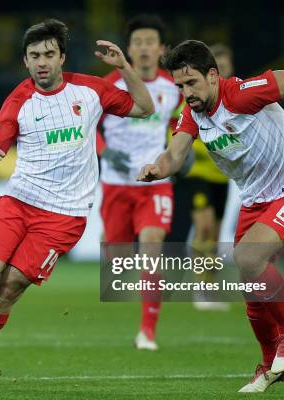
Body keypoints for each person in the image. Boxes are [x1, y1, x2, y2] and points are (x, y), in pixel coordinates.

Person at [0, 19, 154, 385]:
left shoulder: (91, 89)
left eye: (49, 54)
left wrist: (123, 67)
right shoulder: (19, 100)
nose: (42, 62)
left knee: (8, 289)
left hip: (64, 216)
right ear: (26, 61)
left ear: (62, 58)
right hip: (18, 202)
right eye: (34, 55)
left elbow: (144, 107)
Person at [138, 39, 284, 392]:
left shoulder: (240, 94)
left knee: (248, 257)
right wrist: (157, 168)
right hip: (253, 203)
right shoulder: (193, 113)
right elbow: (174, 155)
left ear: (212, 75)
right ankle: (268, 367)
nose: (186, 92)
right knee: (251, 292)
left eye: (191, 83)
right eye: (179, 86)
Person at [96, 15, 182, 350]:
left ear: (161, 49)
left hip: (154, 182)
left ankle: (147, 331)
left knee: (151, 251)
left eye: (151, 42)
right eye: (138, 42)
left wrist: (178, 152)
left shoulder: (174, 88)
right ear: (128, 48)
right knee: (116, 255)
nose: (144, 48)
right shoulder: (107, 86)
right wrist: (105, 153)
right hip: (116, 183)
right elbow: (90, 131)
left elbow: (179, 124)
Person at [181, 43, 235, 311]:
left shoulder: (234, 101)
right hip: (198, 173)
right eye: (219, 67)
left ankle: (209, 287)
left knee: (214, 235)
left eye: (227, 67)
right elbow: (177, 131)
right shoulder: (192, 98)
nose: (223, 72)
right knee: (202, 227)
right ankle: (199, 288)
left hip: (222, 178)